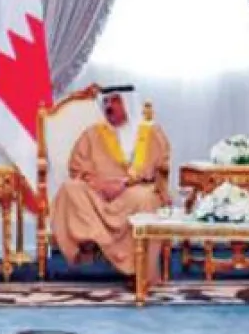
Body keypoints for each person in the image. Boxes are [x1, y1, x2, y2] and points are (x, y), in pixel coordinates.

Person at [48, 85, 169, 279]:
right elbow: (77, 168)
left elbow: (159, 164)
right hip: (100, 195)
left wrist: (125, 183)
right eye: (105, 102)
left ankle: (140, 271)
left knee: (145, 198)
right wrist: (101, 186)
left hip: (135, 191)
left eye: (115, 101)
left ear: (128, 103)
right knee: (70, 188)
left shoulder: (150, 131)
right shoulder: (93, 133)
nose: (109, 107)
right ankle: (105, 242)